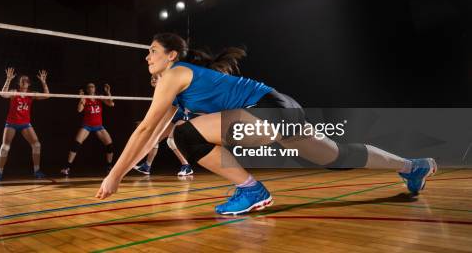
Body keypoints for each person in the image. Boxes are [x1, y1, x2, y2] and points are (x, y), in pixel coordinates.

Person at [95, 32, 437, 216]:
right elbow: (151, 136)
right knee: (337, 157)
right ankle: (412, 166)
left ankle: (250, 190)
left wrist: (113, 177)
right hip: (282, 106)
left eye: (152, 50)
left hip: (265, 110)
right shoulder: (181, 90)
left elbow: (144, 131)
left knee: (184, 136)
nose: (147, 56)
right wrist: (119, 175)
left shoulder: (175, 74)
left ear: (171, 56)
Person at [0, 68, 50, 182]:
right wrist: (8, 80)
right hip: (11, 124)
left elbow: (47, 95)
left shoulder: (31, 94)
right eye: (22, 81)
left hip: (25, 124)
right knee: (5, 147)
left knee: (37, 145)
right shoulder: (14, 92)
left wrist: (43, 82)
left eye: (26, 81)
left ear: (29, 84)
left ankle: (37, 171)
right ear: (19, 83)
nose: (24, 82)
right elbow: (3, 94)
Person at [133, 76, 193, 176]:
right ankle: (146, 167)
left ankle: (186, 166)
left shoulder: (167, 90)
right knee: (154, 139)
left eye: (156, 78)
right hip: (172, 118)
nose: (153, 79)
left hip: (183, 115)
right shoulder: (158, 92)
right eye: (152, 78)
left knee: (171, 141)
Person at [61, 83, 115, 176]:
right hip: (87, 126)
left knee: (109, 145)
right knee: (76, 144)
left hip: (99, 126)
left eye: (93, 86)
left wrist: (108, 92)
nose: (91, 88)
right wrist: (81, 98)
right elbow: (79, 110)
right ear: (87, 89)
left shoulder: (99, 97)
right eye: (89, 87)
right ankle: (67, 167)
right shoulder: (85, 98)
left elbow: (111, 104)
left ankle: (109, 167)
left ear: (95, 88)